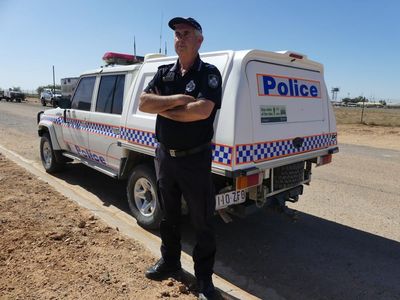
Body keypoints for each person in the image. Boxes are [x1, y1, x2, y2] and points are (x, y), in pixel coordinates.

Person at [139, 17, 222, 300]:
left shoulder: (208, 74)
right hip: (165, 157)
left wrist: (162, 107)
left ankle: (204, 281)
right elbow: (144, 102)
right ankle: (171, 262)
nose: (180, 38)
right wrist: (177, 101)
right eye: (176, 34)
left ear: (199, 40)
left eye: (186, 33)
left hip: (195, 160)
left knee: (202, 221)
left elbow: (201, 111)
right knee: (168, 216)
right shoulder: (165, 73)